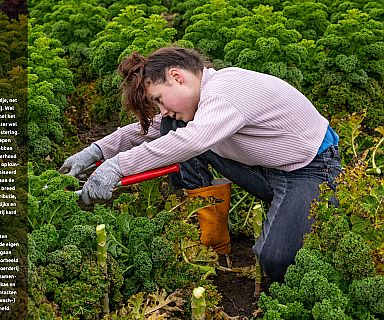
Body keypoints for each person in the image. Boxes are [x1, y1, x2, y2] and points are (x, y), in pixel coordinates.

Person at [59, 46, 342, 282]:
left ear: (176, 77)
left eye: (159, 99)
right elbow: (156, 128)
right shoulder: (199, 102)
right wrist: (96, 152)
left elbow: (191, 142)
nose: (162, 109)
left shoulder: (225, 91)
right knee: (173, 126)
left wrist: (118, 166)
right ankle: (205, 224)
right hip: (267, 169)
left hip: (310, 170)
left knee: (276, 259)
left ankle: (306, 207)